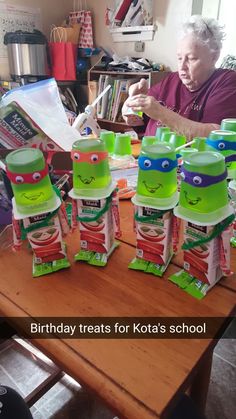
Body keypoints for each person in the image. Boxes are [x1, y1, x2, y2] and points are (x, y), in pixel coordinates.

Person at [122, 15, 236, 140]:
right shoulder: (172, 79)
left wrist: (161, 113)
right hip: (151, 155)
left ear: (214, 56)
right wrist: (131, 106)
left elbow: (216, 136)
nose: (182, 66)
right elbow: (140, 121)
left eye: (191, 59)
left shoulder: (227, 82)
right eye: (179, 58)